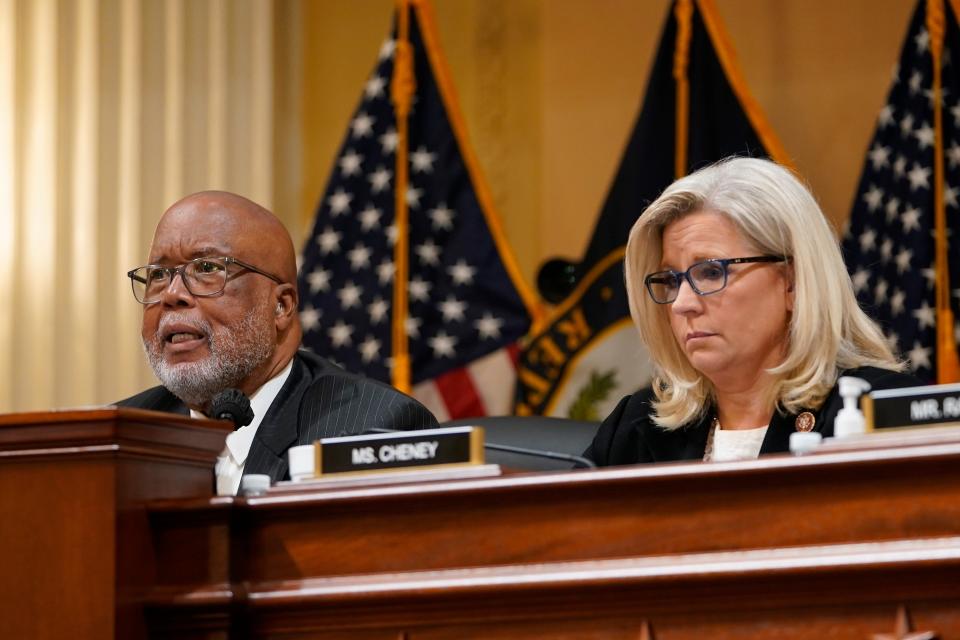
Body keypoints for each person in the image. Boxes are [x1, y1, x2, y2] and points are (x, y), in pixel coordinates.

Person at [584, 157, 921, 466]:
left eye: (712, 272)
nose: (682, 303)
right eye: (671, 281)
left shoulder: (881, 414)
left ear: (792, 282)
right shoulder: (638, 427)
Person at [118, 191, 438, 493]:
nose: (172, 294)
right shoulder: (119, 438)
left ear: (281, 306)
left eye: (207, 268)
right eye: (158, 275)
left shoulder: (372, 429)